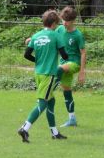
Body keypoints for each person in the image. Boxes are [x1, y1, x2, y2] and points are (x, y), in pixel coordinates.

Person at [17, 10, 71, 143]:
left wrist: (38, 61)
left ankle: (55, 133)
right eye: (57, 23)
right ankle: (25, 128)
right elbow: (64, 56)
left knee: (51, 101)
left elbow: (26, 55)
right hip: (49, 74)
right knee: (43, 102)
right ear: (53, 23)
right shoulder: (56, 36)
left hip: (38, 73)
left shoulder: (36, 36)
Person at [56, 6, 87, 127]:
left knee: (58, 69)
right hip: (63, 63)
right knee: (66, 91)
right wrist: (33, 39)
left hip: (74, 63)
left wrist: (82, 72)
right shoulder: (60, 29)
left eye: (67, 21)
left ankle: (48, 90)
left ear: (73, 21)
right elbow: (48, 34)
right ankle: (72, 119)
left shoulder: (77, 35)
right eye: (63, 20)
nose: (65, 23)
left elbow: (83, 53)